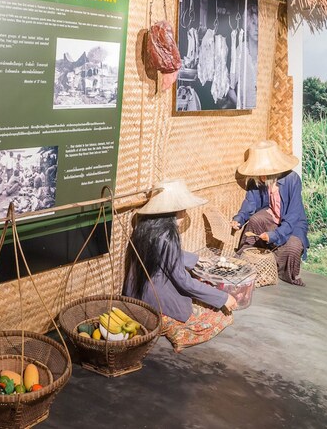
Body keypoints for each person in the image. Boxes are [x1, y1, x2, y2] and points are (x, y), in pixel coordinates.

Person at [124, 180, 238, 352]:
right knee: (222, 316)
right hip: (156, 302)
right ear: (173, 211)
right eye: (182, 209)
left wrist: (195, 258)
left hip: (136, 297)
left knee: (201, 295)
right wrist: (222, 297)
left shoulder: (145, 227)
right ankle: (177, 333)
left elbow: (163, 255)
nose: (185, 213)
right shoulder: (167, 236)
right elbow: (184, 281)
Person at [230, 140, 309, 286]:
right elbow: (250, 203)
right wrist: (239, 219)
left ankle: (277, 270)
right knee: (255, 220)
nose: (261, 176)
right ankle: (248, 259)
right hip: (272, 215)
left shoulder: (292, 179)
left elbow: (293, 215)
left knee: (293, 247)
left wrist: (275, 235)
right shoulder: (256, 180)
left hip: (293, 222)